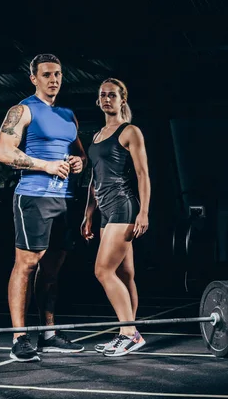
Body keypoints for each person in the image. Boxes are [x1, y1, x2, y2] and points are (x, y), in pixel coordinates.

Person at [0, 53, 87, 362]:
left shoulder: (67, 115)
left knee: (52, 269)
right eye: (47, 74)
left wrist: (78, 162)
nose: (54, 79)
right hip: (33, 196)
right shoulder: (22, 110)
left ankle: (48, 334)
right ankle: (20, 338)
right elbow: (4, 152)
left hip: (65, 199)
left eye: (58, 74)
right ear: (34, 78)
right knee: (27, 264)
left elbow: (80, 157)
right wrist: (45, 165)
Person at [81, 77, 150, 356]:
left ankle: (129, 334)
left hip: (123, 207)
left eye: (112, 95)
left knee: (103, 271)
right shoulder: (97, 136)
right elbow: (93, 180)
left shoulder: (130, 131)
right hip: (105, 210)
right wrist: (88, 215)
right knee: (125, 273)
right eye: (103, 95)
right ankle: (130, 332)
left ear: (123, 99)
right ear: (98, 101)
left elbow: (143, 174)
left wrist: (144, 211)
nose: (107, 99)